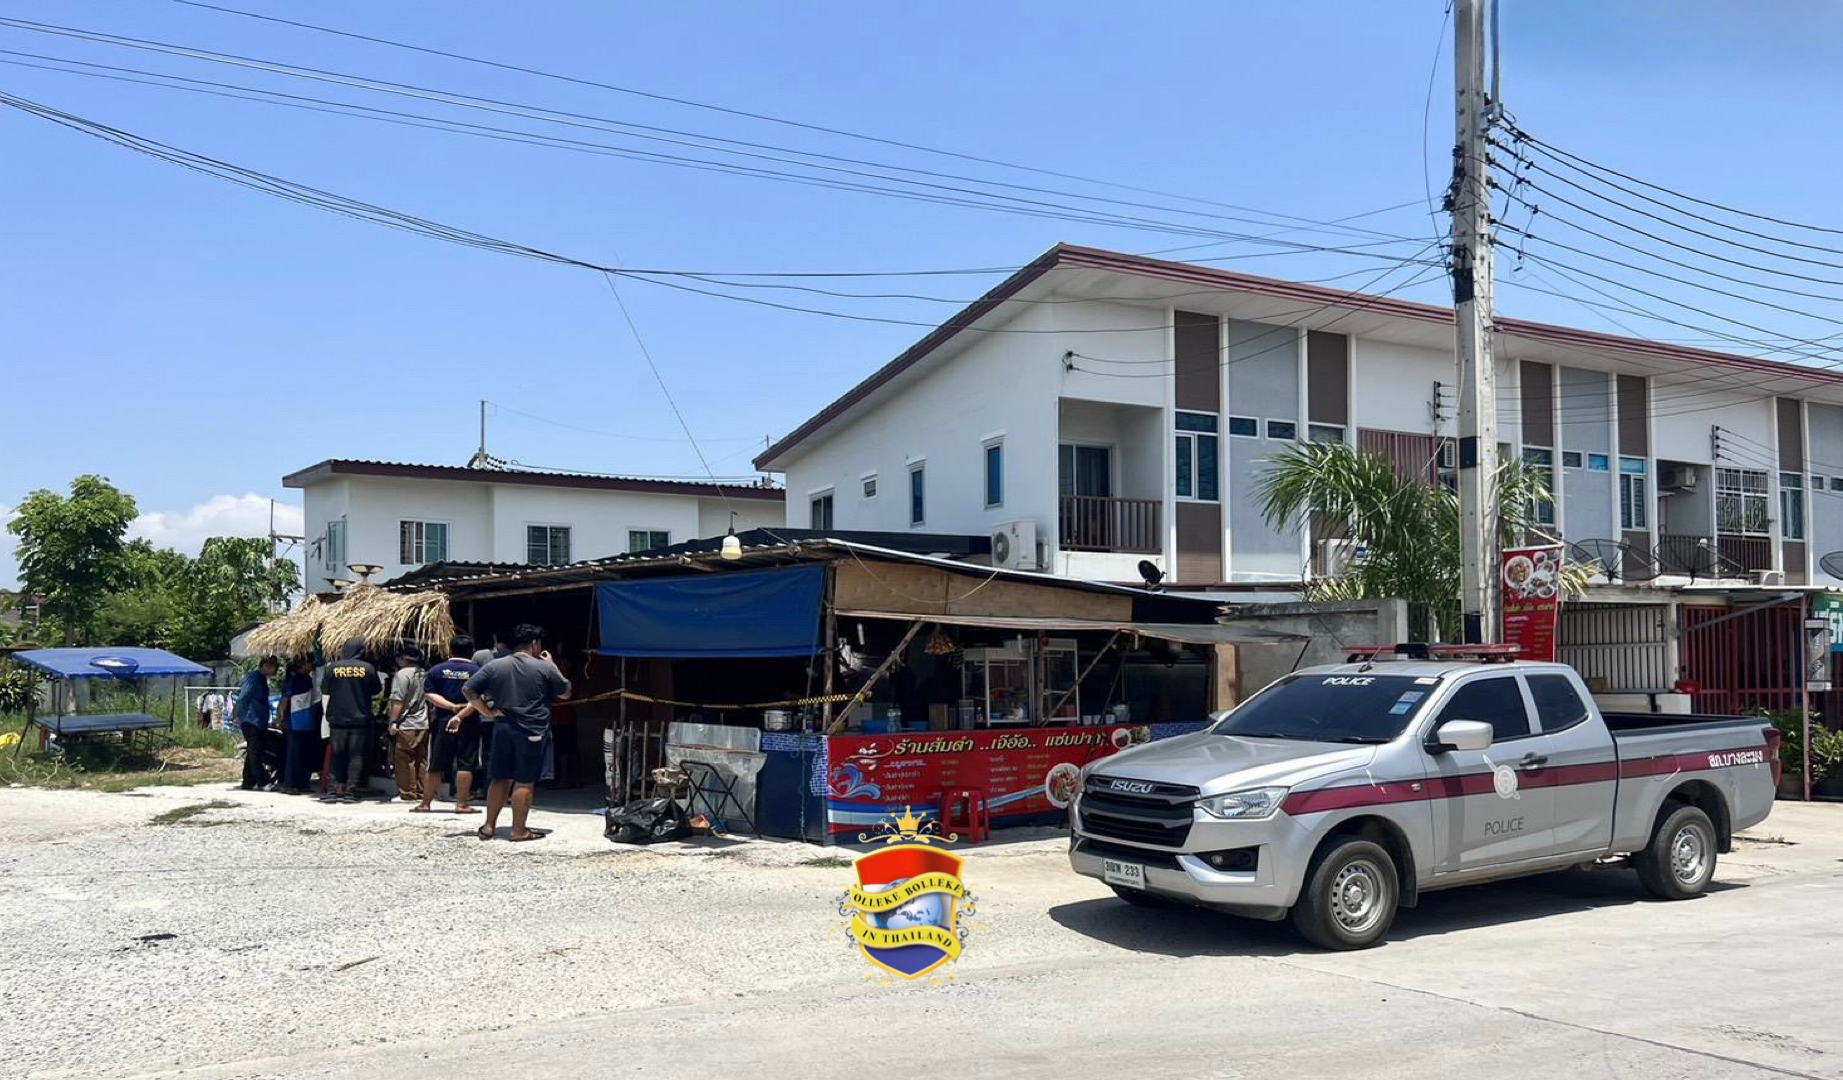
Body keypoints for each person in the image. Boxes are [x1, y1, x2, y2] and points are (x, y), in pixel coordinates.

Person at [464, 623, 570, 841]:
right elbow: (565, 692)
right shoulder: (543, 667)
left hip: (502, 726)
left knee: (499, 777)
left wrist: (486, 711)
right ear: (534, 644)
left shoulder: (496, 665)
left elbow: (468, 689)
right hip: (531, 730)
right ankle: (519, 830)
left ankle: (488, 826)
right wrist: (552, 664)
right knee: (524, 780)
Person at [417, 634, 481, 814]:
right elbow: (478, 699)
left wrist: (450, 707)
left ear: (450, 649)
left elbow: (429, 694)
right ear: (471, 651)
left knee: (436, 763)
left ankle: (425, 804)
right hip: (469, 722)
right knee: (466, 763)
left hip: (443, 721)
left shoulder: (436, 670)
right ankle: (461, 804)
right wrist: (461, 714)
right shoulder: (478, 671)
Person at [321, 638, 382, 804]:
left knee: (337, 755)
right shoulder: (367, 668)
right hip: (359, 719)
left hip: (337, 719)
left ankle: (332, 791)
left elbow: (324, 689)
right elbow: (376, 690)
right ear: (361, 651)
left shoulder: (332, 668)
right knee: (355, 756)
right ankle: (351, 792)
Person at [387, 650, 430, 803]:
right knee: (421, 759)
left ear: (403, 659)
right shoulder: (424, 673)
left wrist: (393, 721)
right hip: (423, 721)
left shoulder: (402, 675)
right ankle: (422, 790)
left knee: (404, 759)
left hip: (407, 723)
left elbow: (398, 701)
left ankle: (407, 793)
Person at [276, 657, 322, 795]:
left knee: (306, 755)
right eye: (311, 663)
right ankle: (289, 784)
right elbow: (284, 702)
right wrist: (280, 719)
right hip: (296, 724)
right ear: (304, 664)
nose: (313, 666)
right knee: (294, 756)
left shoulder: (310, 680)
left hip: (309, 724)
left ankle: (303, 783)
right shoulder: (294, 681)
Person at [232, 657, 279, 791]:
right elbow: (243, 696)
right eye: (274, 667)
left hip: (258, 721)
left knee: (254, 751)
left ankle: (248, 781)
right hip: (251, 720)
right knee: (255, 752)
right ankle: (262, 781)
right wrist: (237, 714)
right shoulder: (254, 678)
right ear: (266, 666)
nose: (275, 671)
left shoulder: (262, 679)